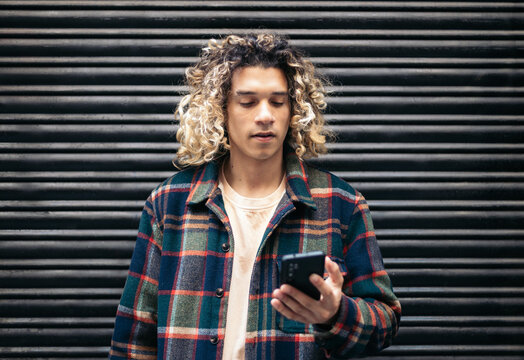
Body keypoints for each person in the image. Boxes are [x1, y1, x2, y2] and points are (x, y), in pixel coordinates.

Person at [109, 33, 401, 360]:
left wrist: (335, 314)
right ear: (221, 110)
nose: (265, 115)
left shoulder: (341, 205)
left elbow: (385, 319)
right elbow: (134, 336)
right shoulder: (170, 204)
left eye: (278, 102)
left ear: (294, 111)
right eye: (248, 102)